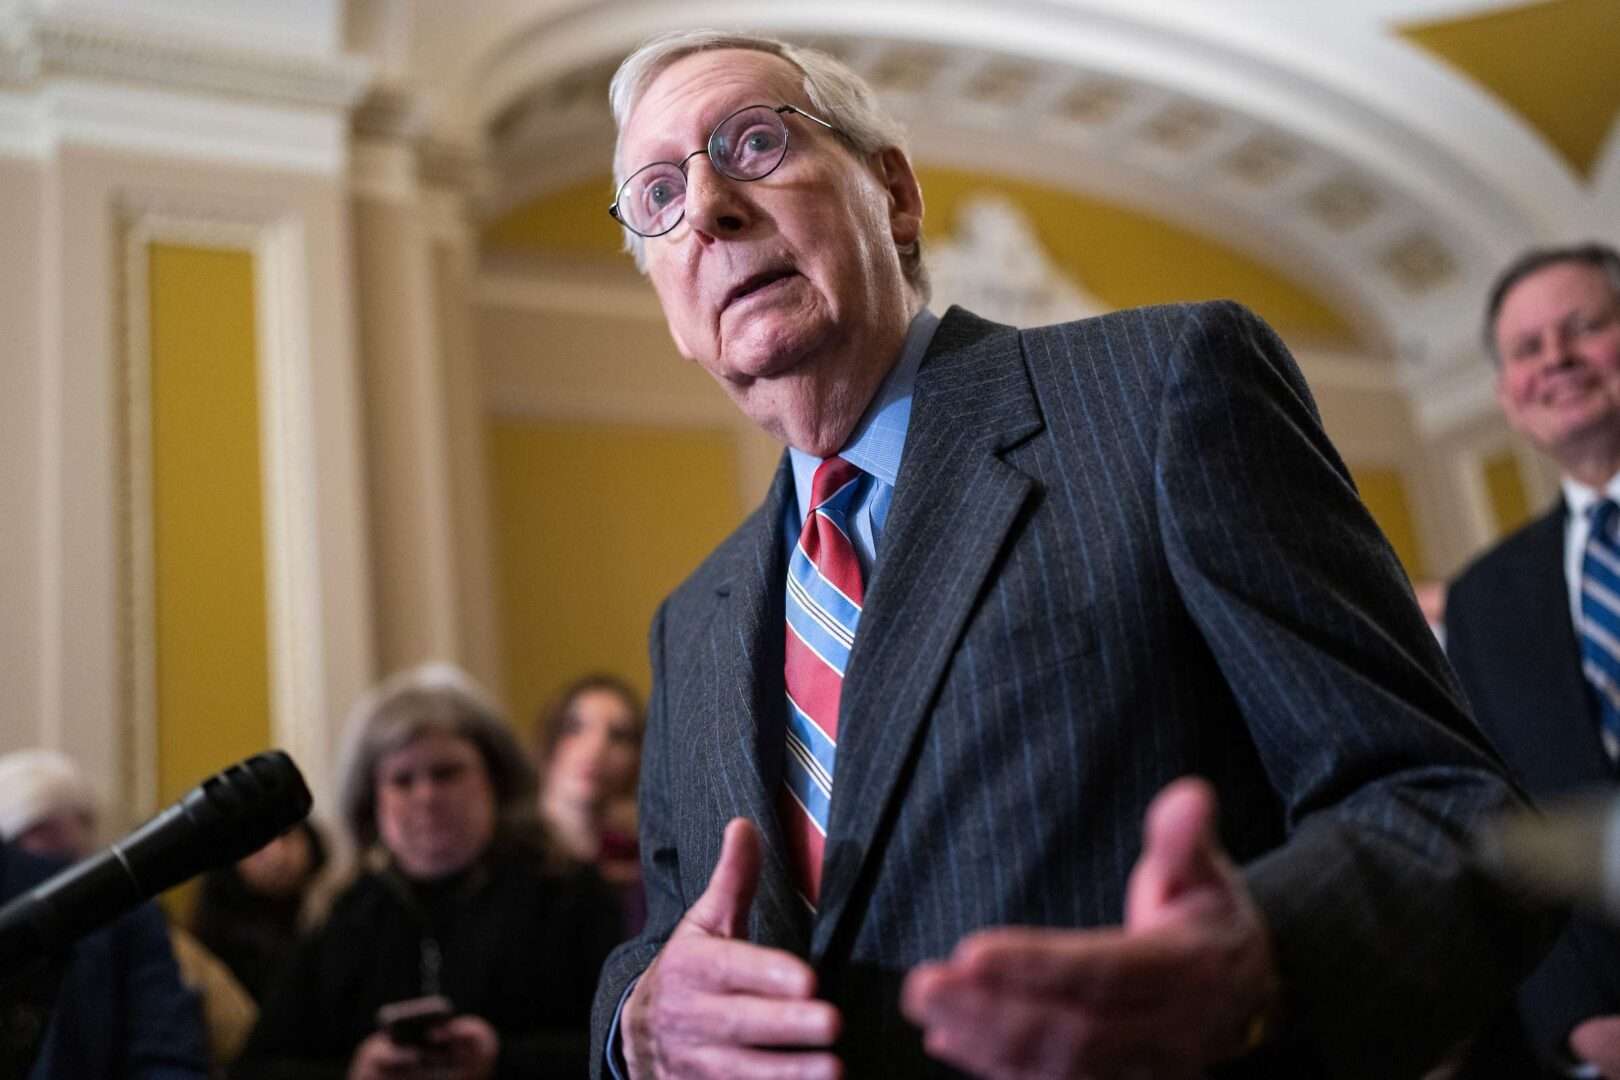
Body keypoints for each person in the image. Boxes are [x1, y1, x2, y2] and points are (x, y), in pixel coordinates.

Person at [590, 29, 1551, 1080]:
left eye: (755, 143)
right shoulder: (694, 617)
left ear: (894, 195)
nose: (711, 208)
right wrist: (639, 1021)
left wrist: (1260, 964)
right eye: (657, 196)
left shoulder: (1161, 390)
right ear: (667, 299)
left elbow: (1447, 809)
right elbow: (667, 938)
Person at [232, 662, 622, 1080]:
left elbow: (626, 1051)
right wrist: (356, 1073)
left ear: (495, 779)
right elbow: (255, 1069)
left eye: (446, 773)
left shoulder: (569, 895)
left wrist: (501, 1061)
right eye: (402, 780)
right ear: (371, 802)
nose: (426, 796)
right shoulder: (342, 918)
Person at [1445, 242, 1620, 1078]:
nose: (1555, 360)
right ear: (1506, 397)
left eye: (1583, 328)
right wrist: (1577, 1014)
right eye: (1525, 349)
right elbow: (1511, 822)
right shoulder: (1483, 598)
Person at [0, 754, 210, 1080]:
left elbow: (167, 1060)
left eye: (71, 823)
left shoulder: (123, 912)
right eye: (37, 830)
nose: (57, 842)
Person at [535, 674, 647, 936]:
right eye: (574, 727)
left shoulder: (642, 863)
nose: (596, 748)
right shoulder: (507, 855)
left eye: (619, 736)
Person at [190, 820, 328, 1003]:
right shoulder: (217, 938)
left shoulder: (318, 916)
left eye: (286, 836)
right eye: (259, 842)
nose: (277, 854)